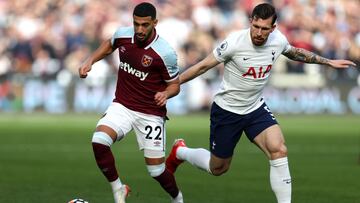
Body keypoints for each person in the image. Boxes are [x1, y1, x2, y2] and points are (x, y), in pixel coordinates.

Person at [166, 3, 357, 203]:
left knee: (279, 148)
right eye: (255, 27)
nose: (258, 32)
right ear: (251, 22)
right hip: (227, 111)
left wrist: (327, 61)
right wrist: (172, 86)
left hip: (255, 108)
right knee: (218, 168)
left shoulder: (277, 40)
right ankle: (180, 151)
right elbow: (202, 66)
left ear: (273, 28)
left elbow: (295, 52)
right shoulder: (234, 42)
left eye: (264, 29)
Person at [78, 2, 183, 203]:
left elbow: (175, 85)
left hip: (150, 113)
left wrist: (165, 94)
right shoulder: (123, 35)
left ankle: (177, 198)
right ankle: (118, 189)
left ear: (155, 23)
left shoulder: (165, 53)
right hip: (122, 106)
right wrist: (90, 61)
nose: (140, 29)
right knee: (99, 141)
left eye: (145, 25)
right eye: (136, 24)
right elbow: (109, 44)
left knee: (157, 171)